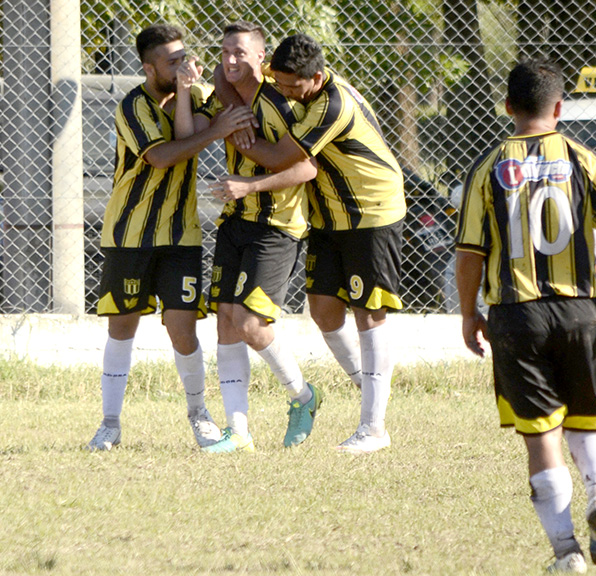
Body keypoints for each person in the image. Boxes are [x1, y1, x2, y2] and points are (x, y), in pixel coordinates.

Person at [455, 58, 596, 573]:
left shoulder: (487, 166)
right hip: (578, 311)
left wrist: (467, 314)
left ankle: (566, 552)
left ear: (507, 108)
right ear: (559, 107)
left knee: (541, 434)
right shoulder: (584, 159)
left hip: (516, 317)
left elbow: (470, 252)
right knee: (587, 415)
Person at [214, 33, 406, 454]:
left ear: (316, 77)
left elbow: (289, 159)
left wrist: (236, 135)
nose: (283, 93)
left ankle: (374, 428)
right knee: (323, 310)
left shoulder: (330, 105)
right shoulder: (288, 77)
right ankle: (368, 385)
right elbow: (225, 75)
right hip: (329, 215)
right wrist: (233, 109)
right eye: (278, 85)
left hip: (370, 212)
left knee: (369, 314)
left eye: (291, 88)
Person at [86, 23, 256, 452]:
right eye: (172, 62)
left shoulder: (194, 96)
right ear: (148, 67)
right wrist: (216, 131)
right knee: (121, 327)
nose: (182, 66)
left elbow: (192, 128)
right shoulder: (133, 106)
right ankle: (110, 424)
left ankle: (199, 415)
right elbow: (162, 156)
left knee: (182, 330)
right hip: (130, 234)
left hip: (181, 236)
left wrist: (197, 95)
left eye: (185, 57)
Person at [176, 21, 320, 452]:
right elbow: (192, 128)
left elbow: (308, 168)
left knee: (250, 324)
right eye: (224, 53)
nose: (231, 61)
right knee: (225, 320)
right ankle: (238, 432)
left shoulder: (285, 101)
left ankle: (304, 396)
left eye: (240, 53)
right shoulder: (228, 96)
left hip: (278, 227)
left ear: (263, 58)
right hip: (234, 221)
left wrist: (251, 182)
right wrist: (198, 95)